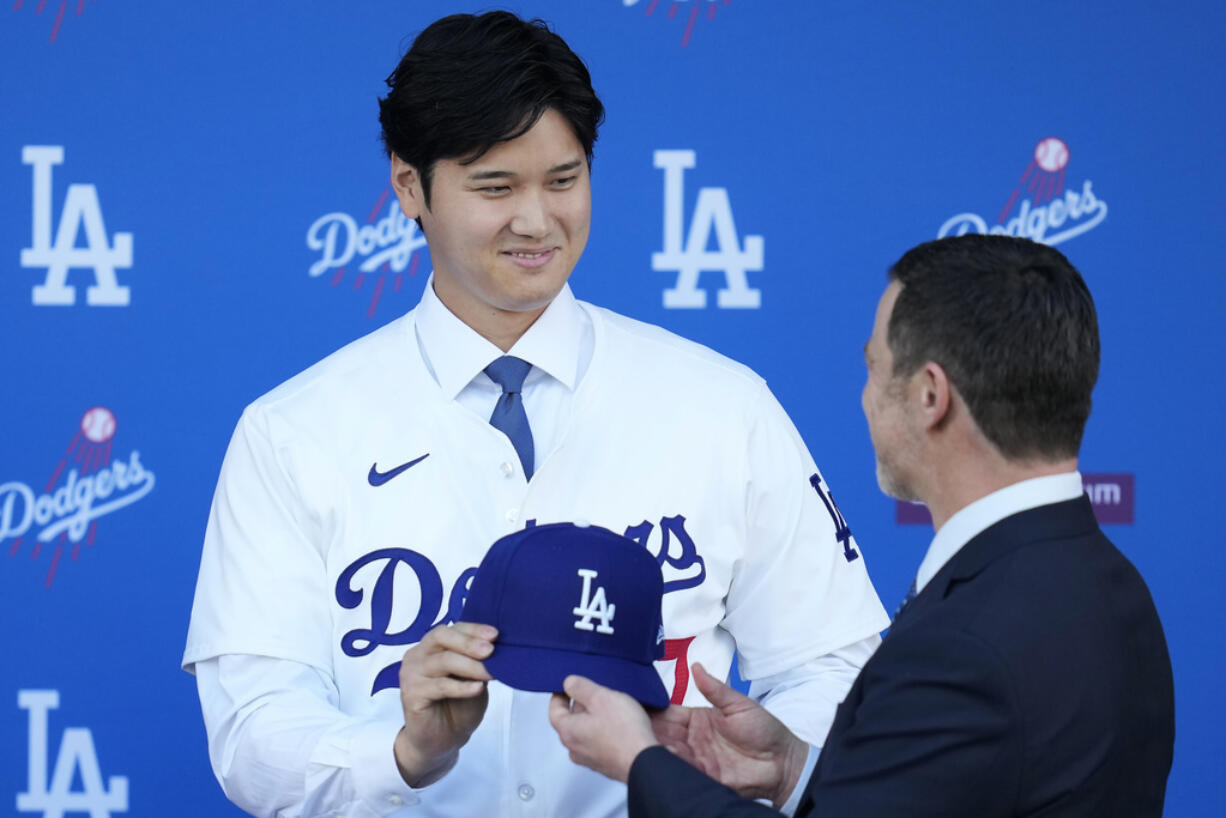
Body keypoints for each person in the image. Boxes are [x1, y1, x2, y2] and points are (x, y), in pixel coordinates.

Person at [181, 11, 888, 817]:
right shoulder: (292, 433)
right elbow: (251, 728)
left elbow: (836, 666)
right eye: (495, 187)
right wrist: (405, 752)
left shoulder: (722, 404)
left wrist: (728, 771)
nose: (537, 221)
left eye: (563, 180)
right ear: (410, 185)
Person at [550, 234, 1176, 817]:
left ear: (931, 396)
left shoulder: (961, 647)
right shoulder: (1117, 589)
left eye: (875, 368)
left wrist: (642, 763)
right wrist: (793, 767)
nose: (863, 397)